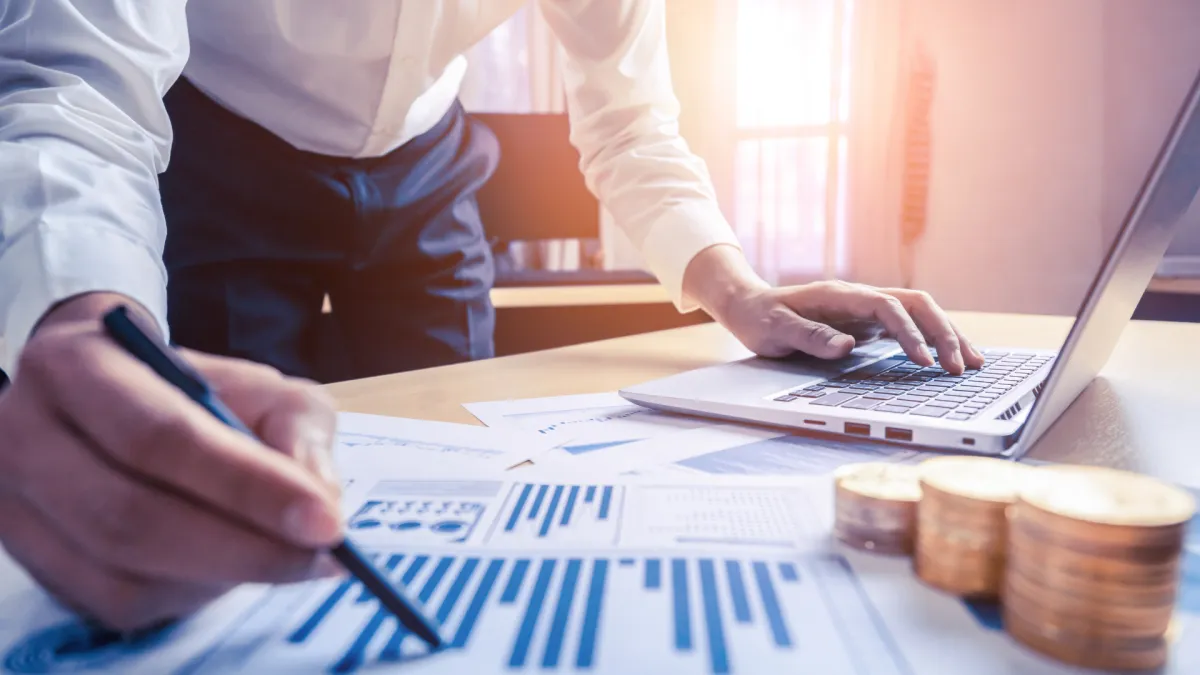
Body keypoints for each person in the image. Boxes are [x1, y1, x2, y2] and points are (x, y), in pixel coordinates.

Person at [0, 0, 983, 632]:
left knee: (468, 462)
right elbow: (77, 88)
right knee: (223, 500)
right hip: (216, 147)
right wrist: (77, 308)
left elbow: (631, 119)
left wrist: (741, 291)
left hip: (428, 168)